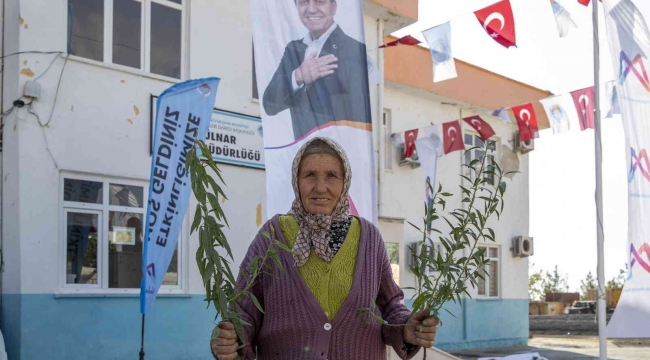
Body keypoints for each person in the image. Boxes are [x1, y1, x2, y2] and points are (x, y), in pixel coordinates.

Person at [210, 137, 439, 360]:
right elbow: (244, 310)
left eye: (331, 176)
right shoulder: (272, 236)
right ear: (296, 181)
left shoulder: (368, 239)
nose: (320, 187)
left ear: (345, 181)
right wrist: (231, 341)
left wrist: (405, 328)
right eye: (310, 175)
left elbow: (389, 306)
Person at [262, 0, 372, 141]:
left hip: (338, 154)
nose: (311, 9)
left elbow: (358, 114)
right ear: (296, 7)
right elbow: (269, 104)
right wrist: (298, 75)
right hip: (302, 154)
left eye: (320, 1)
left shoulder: (354, 50)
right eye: (303, 2)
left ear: (334, 7)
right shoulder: (293, 49)